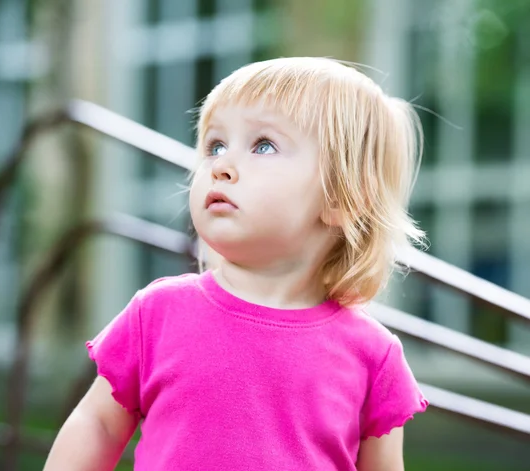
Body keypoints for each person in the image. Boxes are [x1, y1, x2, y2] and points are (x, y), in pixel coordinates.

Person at [43, 57, 429, 471]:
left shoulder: (373, 355)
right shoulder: (157, 313)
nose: (220, 166)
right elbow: (98, 423)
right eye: (215, 145)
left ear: (340, 199)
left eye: (263, 145)